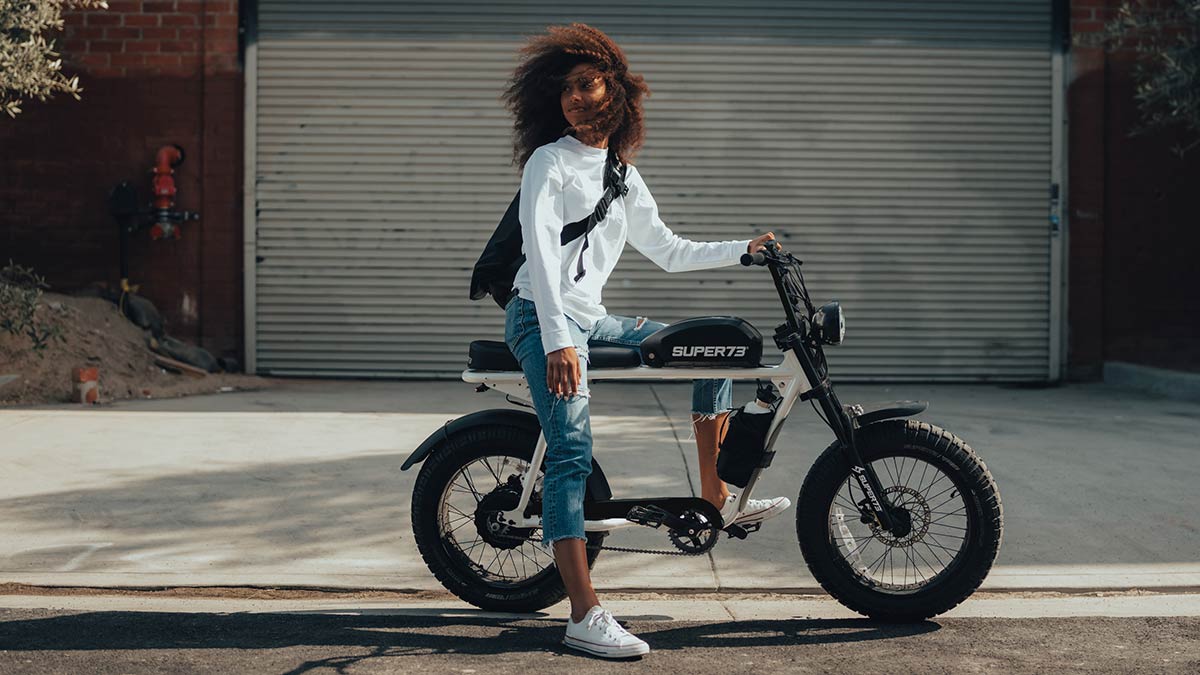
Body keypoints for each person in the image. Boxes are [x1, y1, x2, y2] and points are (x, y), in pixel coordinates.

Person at [501, 23, 790, 659]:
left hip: (592, 317)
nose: (575, 98)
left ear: (615, 92)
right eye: (565, 90)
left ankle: (717, 499)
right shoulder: (547, 164)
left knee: (708, 347)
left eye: (586, 85)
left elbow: (668, 250)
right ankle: (583, 614)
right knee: (572, 454)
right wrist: (556, 343)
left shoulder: (621, 175)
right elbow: (543, 261)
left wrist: (742, 249)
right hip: (538, 317)